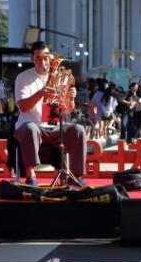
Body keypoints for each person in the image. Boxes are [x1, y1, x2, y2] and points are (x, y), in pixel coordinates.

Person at [13, 41, 87, 186]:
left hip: (53, 126)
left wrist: (71, 98)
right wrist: (41, 92)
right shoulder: (23, 78)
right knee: (30, 128)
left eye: (46, 57)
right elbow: (22, 107)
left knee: (79, 130)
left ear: (51, 58)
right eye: (38, 58)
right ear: (32, 59)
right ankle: (31, 175)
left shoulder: (62, 77)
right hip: (31, 125)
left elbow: (67, 110)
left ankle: (76, 175)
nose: (43, 61)